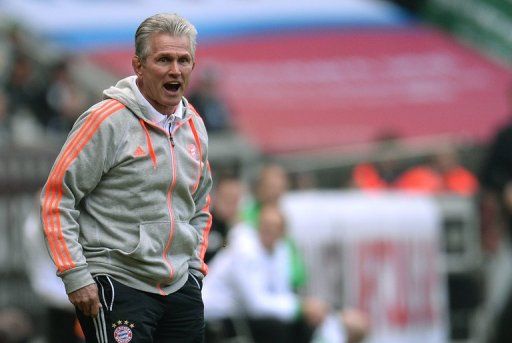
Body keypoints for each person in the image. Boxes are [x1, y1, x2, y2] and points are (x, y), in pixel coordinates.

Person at [40, 13, 212, 343]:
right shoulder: (106, 120)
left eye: (183, 60)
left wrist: (194, 269)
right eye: (164, 59)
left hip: (180, 286)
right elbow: (56, 198)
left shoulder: (195, 126)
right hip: (118, 281)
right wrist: (76, 274)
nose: (175, 70)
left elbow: (201, 203)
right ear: (138, 65)